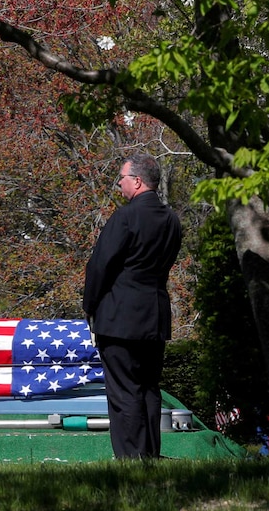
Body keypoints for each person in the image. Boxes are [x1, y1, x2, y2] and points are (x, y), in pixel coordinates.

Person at [83, 153, 182, 459]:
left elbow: (100, 266)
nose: (119, 186)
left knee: (124, 390)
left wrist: (90, 305)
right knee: (149, 388)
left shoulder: (124, 218)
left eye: (122, 179)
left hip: (120, 316)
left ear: (137, 181)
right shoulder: (172, 221)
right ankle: (150, 454)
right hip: (154, 315)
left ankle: (129, 457)